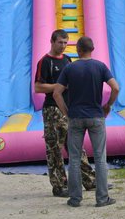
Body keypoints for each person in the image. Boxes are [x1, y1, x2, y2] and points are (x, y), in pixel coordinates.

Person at [52, 36, 118, 208]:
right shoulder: (100, 67)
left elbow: (56, 93)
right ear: (92, 49)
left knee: (74, 158)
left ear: (78, 50)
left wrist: (66, 112)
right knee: (100, 158)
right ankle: (102, 198)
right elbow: (116, 87)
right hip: (96, 116)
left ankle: (75, 199)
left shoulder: (70, 68)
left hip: (76, 117)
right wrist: (108, 105)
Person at [35, 30, 96, 197]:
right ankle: (59, 185)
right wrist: (58, 87)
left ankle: (90, 180)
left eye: (65, 43)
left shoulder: (68, 60)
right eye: (60, 42)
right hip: (52, 110)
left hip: (69, 109)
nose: (62, 46)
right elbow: (38, 87)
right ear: (52, 42)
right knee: (54, 148)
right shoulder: (45, 62)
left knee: (76, 146)